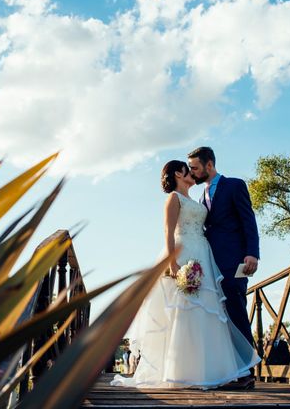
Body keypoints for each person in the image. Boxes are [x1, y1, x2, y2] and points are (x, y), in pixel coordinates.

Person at [111, 160, 260, 389]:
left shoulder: (196, 200)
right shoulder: (173, 198)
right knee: (184, 311)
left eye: (193, 168)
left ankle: (206, 370)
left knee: (206, 312)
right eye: (187, 169)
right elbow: (168, 232)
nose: (191, 173)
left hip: (203, 254)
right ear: (178, 173)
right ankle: (180, 371)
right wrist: (173, 265)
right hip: (184, 254)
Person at [188, 147, 260, 389]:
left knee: (236, 311)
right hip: (211, 264)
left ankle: (248, 372)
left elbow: (248, 220)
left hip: (235, 261)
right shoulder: (200, 197)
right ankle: (230, 370)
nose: (192, 172)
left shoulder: (235, 185)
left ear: (209, 165)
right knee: (220, 317)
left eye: (195, 168)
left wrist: (252, 253)